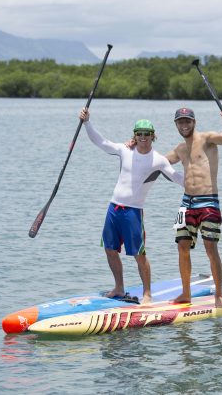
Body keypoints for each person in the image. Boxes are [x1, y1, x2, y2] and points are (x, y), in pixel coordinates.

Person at [79, 108, 184, 305]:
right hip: (113, 208)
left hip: (133, 213)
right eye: (139, 134)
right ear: (134, 136)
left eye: (147, 134)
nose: (143, 137)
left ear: (153, 136)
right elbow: (101, 142)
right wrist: (87, 123)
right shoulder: (124, 150)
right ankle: (119, 288)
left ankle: (147, 294)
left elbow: (176, 177)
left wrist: (200, 183)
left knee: (139, 254)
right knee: (110, 250)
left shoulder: (158, 160)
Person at [166, 107, 222, 308]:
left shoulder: (207, 139)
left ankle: (219, 295)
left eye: (187, 121)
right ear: (176, 124)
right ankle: (186, 294)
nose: (184, 125)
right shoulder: (179, 148)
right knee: (182, 247)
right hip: (186, 202)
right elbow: (158, 162)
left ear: (194, 122)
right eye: (180, 122)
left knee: (210, 248)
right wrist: (135, 147)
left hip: (208, 201)